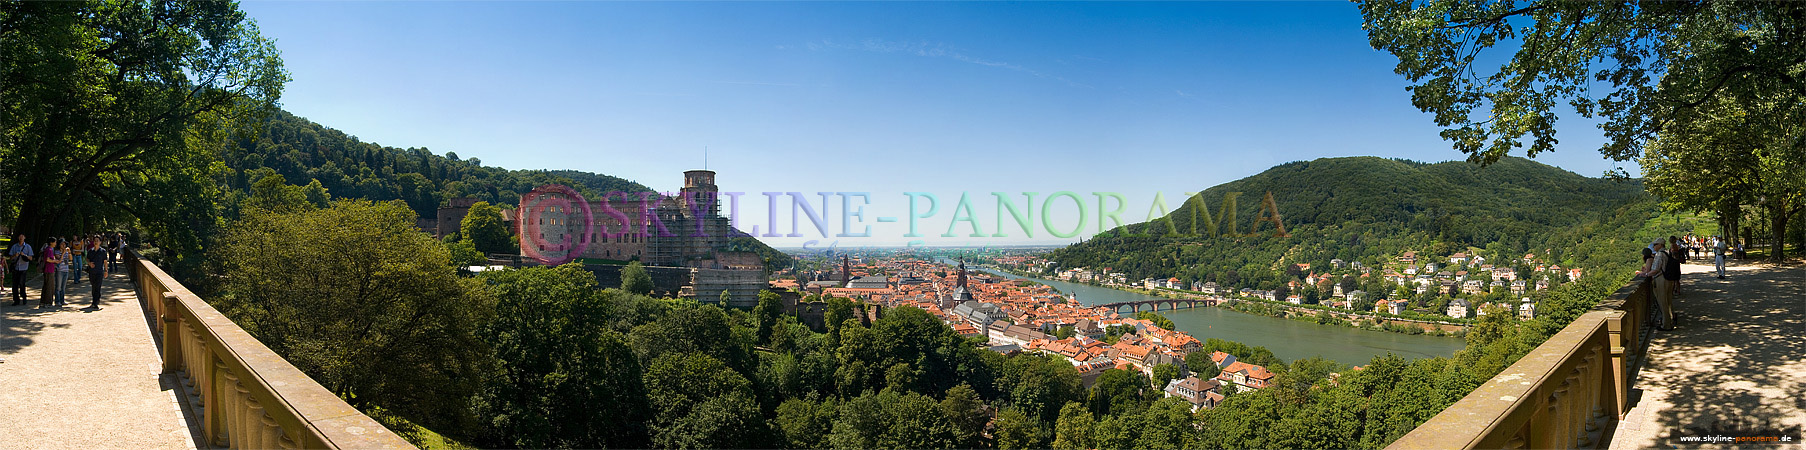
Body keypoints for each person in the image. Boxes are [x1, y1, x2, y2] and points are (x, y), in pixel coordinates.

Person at [1639, 240, 1674, 330]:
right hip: (1669, 279)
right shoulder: (1667, 252)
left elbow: (1656, 269)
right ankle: (1670, 321)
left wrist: (1646, 274)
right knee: (1668, 301)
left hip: (1661, 279)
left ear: (1660, 245)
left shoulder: (1659, 254)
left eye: (1655, 244)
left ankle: (1666, 325)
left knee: (1663, 302)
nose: (1654, 246)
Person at [7, 234, 30, 306]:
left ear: (24, 238)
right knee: (15, 284)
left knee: (22, 283)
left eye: (22, 236)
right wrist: (14, 255)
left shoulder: (27, 247)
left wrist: (24, 255)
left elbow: (31, 258)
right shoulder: (14, 246)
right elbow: (10, 258)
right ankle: (16, 300)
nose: (21, 238)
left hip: (23, 268)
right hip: (16, 268)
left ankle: (24, 297)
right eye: (20, 237)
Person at [85, 236, 107, 309]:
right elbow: (87, 259)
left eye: (97, 240)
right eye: (95, 240)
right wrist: (89, 263)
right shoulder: (90, 251)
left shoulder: (103, 251)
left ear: (100, 242)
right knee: (93, 286)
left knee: (98, 286)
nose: (96, 242)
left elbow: (105, 261)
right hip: (92, 272)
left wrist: (106, 271)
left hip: (99, 271)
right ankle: (95, 300)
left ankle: (95, 303)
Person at [39, 238, 60, 308]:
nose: (55, 243)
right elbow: (48, 259)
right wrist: (55, 261)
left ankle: (43, 301)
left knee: (46, 285)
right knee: (50, 286)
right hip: (49, 270)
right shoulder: (49, 249)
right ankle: (48, 302)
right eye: (55, 242)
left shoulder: (49, 249)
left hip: (48, 269)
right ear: (51, 242)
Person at [53, 238, 71, 307]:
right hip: (59, 270)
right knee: (58, 287)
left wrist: (69, 253)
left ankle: (62, 300)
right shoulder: (57, 252)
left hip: (66, 270)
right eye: (62, 244)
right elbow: (59, 260)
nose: (64, 245)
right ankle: (57, 301)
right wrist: (63, 253)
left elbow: (71, 258)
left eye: (65, 244)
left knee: (63, 287)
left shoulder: (66, 251)